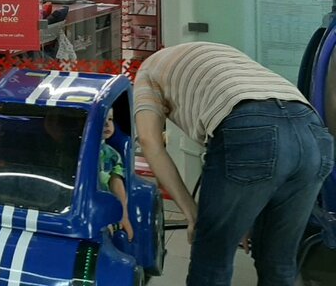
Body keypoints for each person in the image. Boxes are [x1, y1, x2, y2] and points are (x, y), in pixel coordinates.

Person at [134, 42, 335, 286]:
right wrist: (245, 213)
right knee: (279, 261)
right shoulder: (224, 53)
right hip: (313, 133)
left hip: (250, 127)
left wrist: (192, 213)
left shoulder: (147, 70)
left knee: (212, 261)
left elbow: (150, 142)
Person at [100, 109, 134, 240]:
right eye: (102, 119)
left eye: (110, 119)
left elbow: (116, 183)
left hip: (103, 205)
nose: (107, 124)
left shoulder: (111, 155)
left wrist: (123, 216)